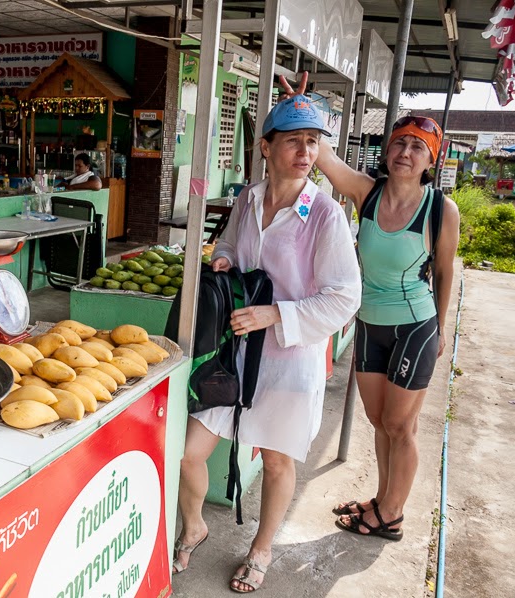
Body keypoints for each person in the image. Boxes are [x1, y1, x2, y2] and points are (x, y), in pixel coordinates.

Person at [174, 95, 362, 592]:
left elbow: (345, 297)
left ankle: (261, 549)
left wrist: (277, 314)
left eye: (313, 141)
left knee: (277, 459)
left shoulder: (325, 214)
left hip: (288, 358)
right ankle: (195, 524)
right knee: (188, 453)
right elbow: (233, 244)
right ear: (265, 146)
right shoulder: (249, 198)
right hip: (236, 352)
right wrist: (224, 259)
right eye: (294, 140)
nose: (306, 150)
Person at [280, 74, 460, 541]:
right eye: (399, 143)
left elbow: (444, 273)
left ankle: (392, 515)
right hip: (368, 323)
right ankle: (382, 501)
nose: (405, 152)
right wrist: (302, 109)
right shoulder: (368, 192)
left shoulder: (441, 209)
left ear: (430, 160)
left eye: (417, 147)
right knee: (380, 421)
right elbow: (325, 157)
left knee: (401, 425)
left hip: (414, 326)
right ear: (387, 151)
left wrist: (440, 328)